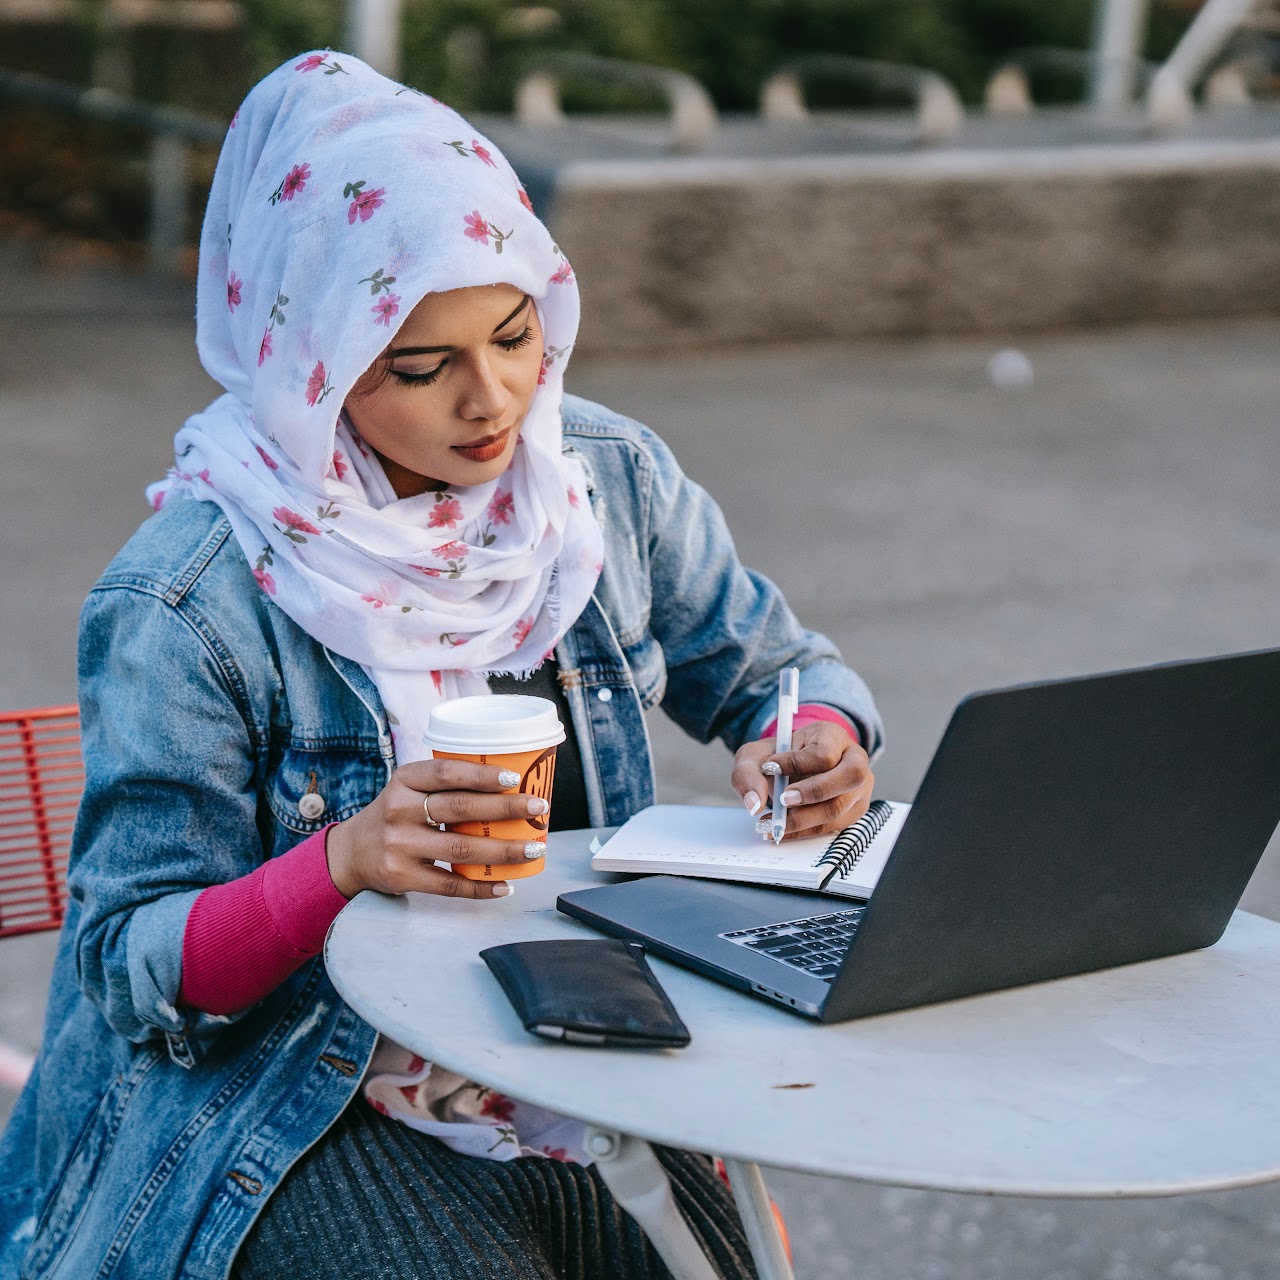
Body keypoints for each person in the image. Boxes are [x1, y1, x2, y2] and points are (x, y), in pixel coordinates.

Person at [0, 51, 883, 1280]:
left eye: (516, 334)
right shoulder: (190, 593)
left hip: (574, 1030)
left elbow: (777, 668)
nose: (495, 400)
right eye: (420, 367)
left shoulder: (596, 482)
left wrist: (818, 740)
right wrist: (339, 863)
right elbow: (127, 965)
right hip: (300, 1084)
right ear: (306, 360)